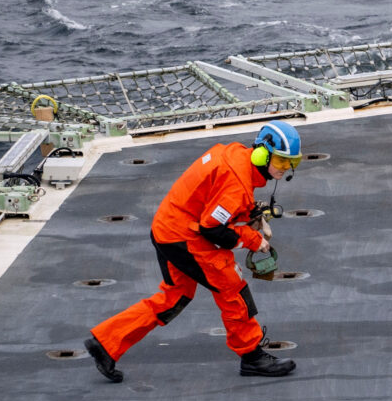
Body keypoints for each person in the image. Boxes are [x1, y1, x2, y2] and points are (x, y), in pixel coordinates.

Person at [86, 121, 300, 382]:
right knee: (232, 288)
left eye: (291, 163)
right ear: (261, 154)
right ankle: (252, 357)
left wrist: (249, 212)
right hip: (183, 237)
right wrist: (252, 240)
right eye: (280, 161)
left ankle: (106, 343)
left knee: (175, 297)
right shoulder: (237, 182)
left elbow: (216, 200)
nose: (285, 168)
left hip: (167, 227)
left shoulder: (236, 154)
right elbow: (212, 229)